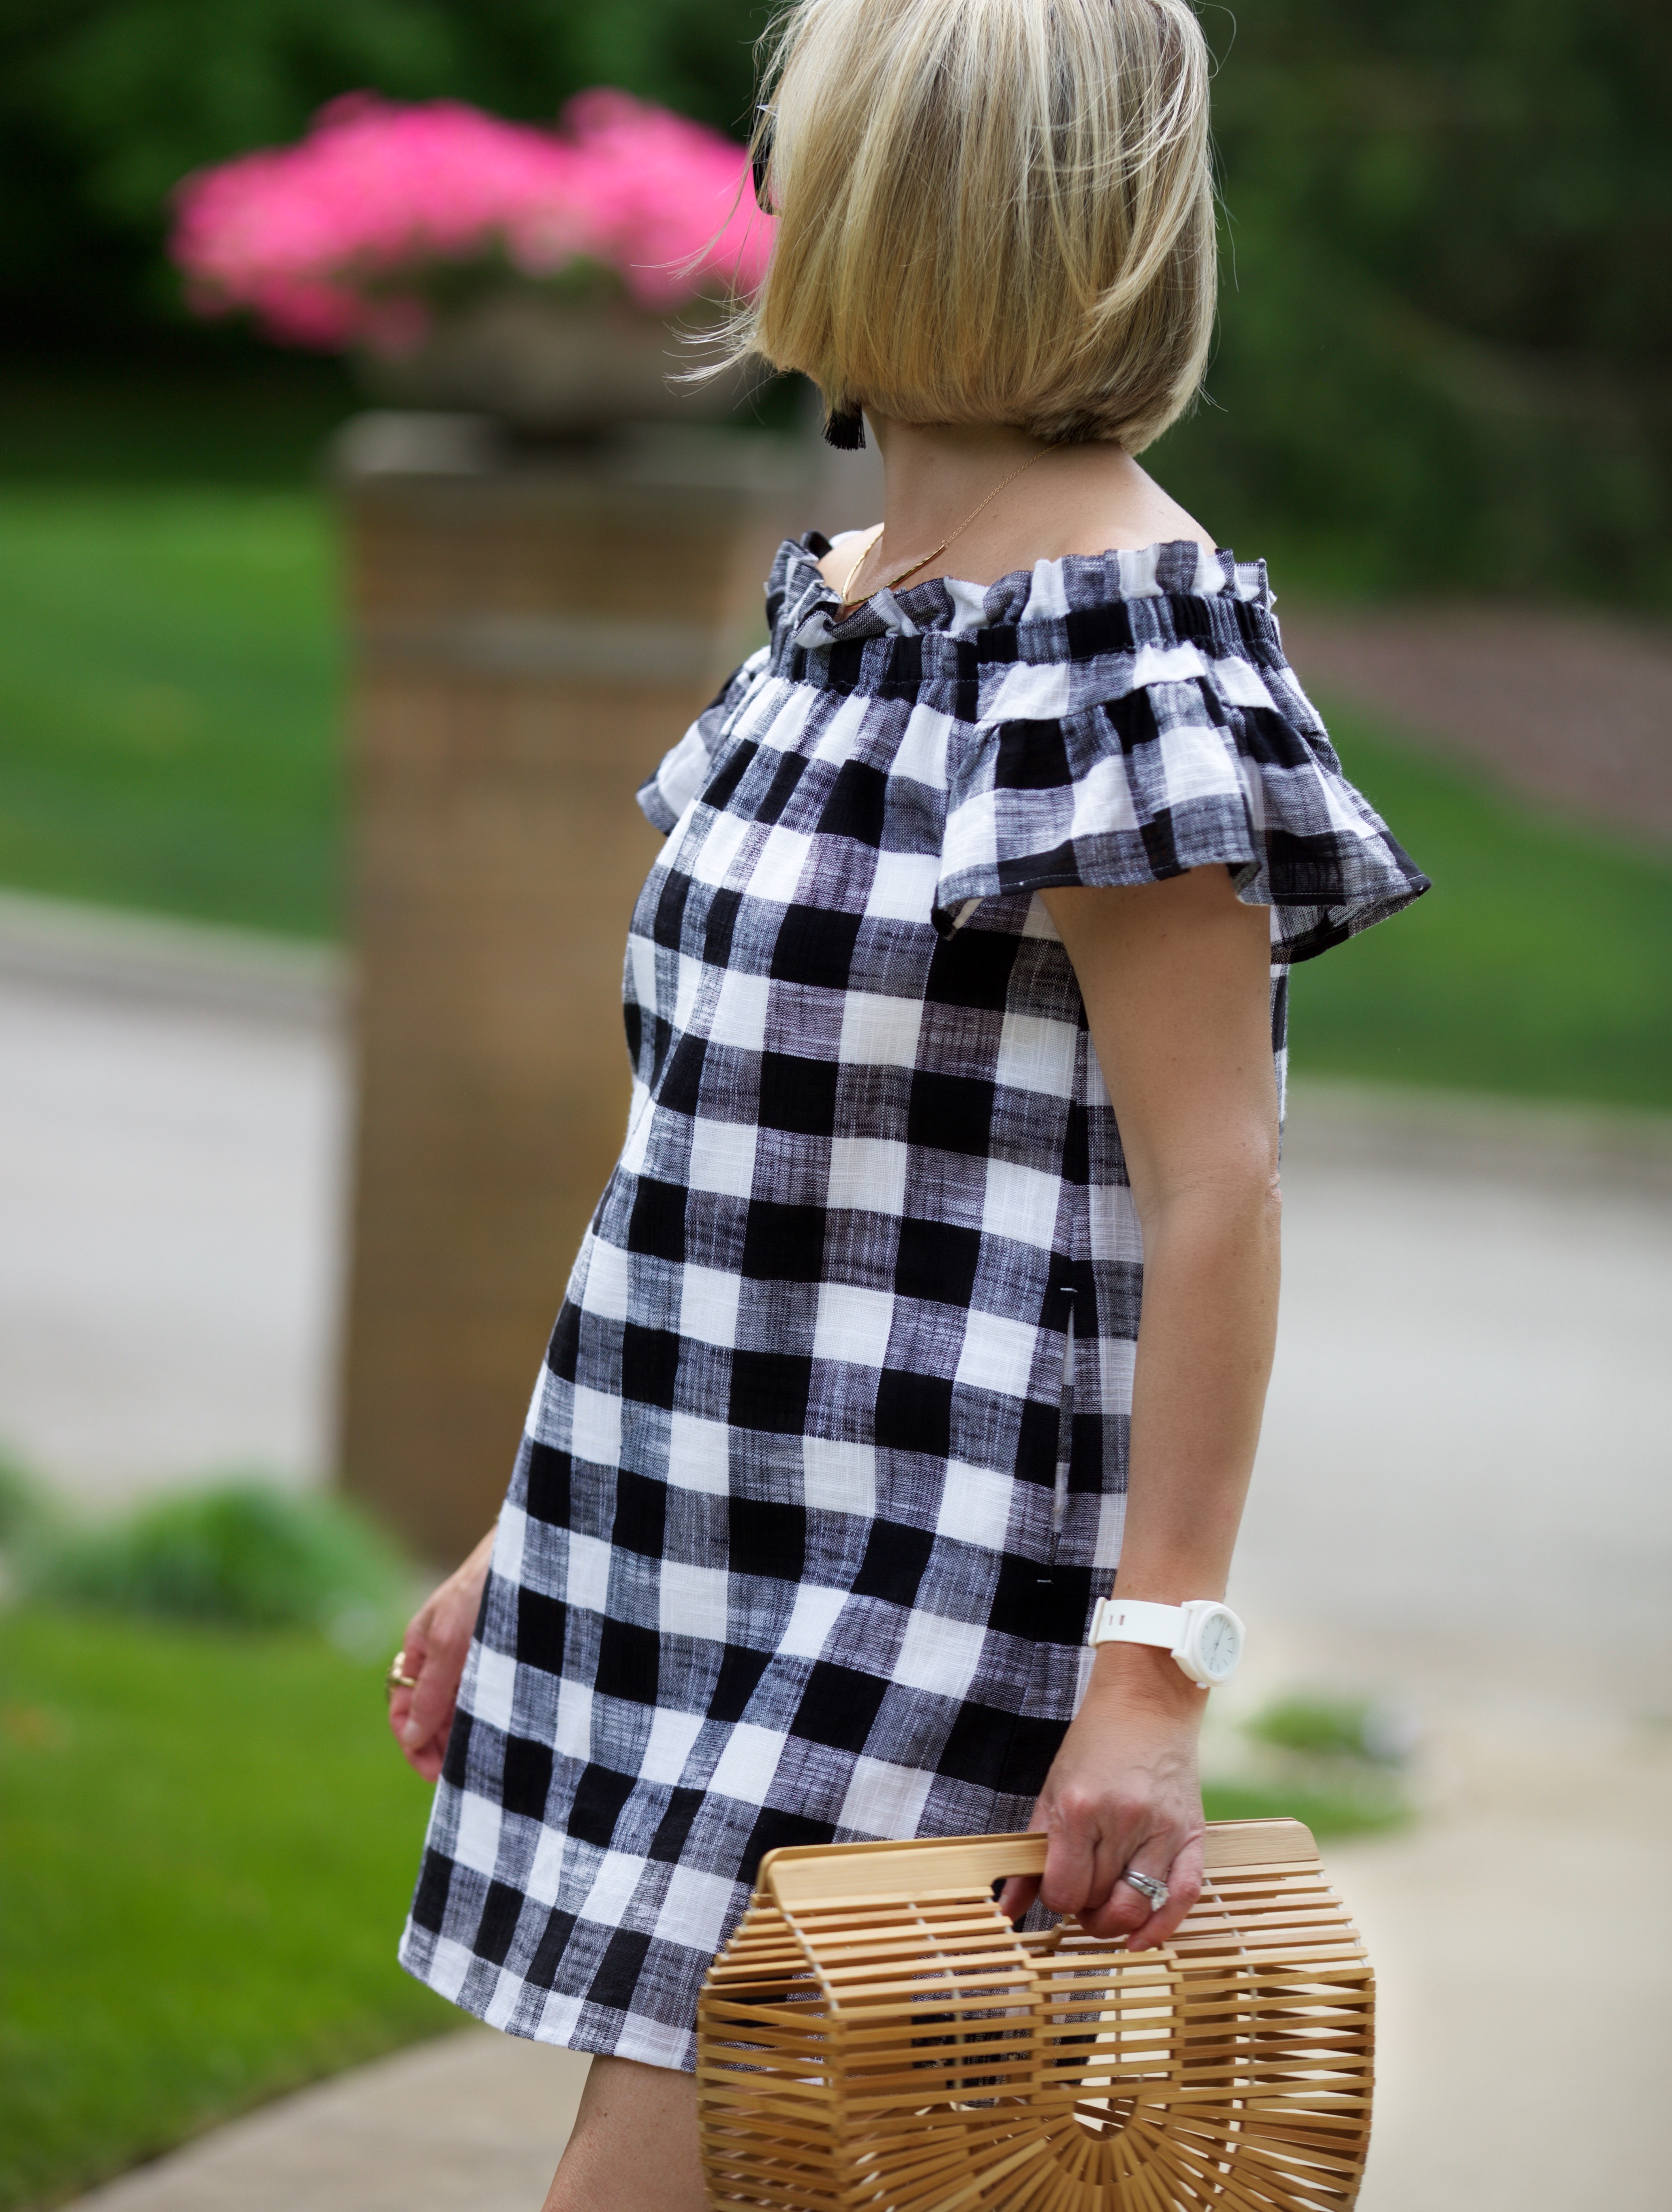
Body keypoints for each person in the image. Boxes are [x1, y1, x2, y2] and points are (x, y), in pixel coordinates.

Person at [386, 2, 1428, 2206]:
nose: (761, 193)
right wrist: (532, 1525)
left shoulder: (1121, 648)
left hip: (919, 1587)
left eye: (798, 148)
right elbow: (710, 1143)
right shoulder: (854, 605)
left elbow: (1214, 1189)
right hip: (697, 1540)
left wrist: (1154, 1671)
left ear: (904, 204)